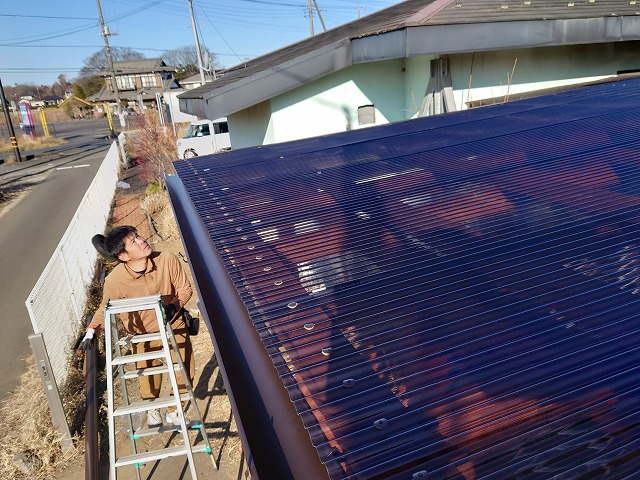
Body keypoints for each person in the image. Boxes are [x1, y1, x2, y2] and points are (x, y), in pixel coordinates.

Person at [78, 225, 195, 428]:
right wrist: (92, 331)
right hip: (142, 334)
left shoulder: (166, 260)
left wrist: (174, 306)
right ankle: (152, 409)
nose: (142, 240)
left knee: (185, 370)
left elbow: (185, 289)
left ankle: (175, 410)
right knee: (148, 376)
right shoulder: (115, 280)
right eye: (134, 241)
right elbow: (105, 307)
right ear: (124, 256)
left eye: (138, 236)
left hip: (172, 323)